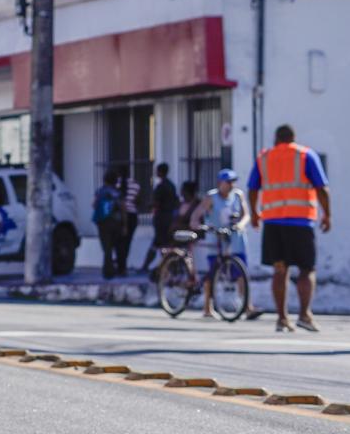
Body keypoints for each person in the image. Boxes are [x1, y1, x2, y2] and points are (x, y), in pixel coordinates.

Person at [249, 124, 331, 333]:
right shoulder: (305, 155)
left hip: (273, 223)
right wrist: (327, 214)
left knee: (279, 270)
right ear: (293, 138)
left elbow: (252, 188)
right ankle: (304, 315)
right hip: (301, 222)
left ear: (276, 139)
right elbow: (321, 188)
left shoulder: (264, 157)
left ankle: (282, 318)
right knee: (307, 269)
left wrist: (255, 214)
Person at [189, 168, 250, 319]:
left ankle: (247, 306)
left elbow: (246, 215)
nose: (231, 185)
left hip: (235, 238)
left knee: (241, 271)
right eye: (228, 182)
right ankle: (207, 307)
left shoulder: (238, 195)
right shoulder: (211, 197)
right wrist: (197, 226)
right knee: (213, 272)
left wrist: (241, 224)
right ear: (220, 183)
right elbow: (196, 215)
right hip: (216, 238)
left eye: (232, 182)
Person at [141, 162, 179, 272]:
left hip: (161, 219)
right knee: (165, 243)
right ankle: (170, 266)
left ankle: (148, 266)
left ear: (160, 172)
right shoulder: (171, 185)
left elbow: (156, 203)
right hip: (169, 218)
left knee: (158, 243)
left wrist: (148, 205)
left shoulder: (161, 186)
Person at [92, 169, 123, 280]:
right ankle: (110, 269)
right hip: (115, 222)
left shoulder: (100, 191)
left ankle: (108, 270)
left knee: (106, 247)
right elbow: (122, 208)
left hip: (102, 222)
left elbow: (94, 204)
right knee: (112, 246)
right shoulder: (117, 193)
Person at [116, 166, 141, 278]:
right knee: (127, 243)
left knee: (119, 243)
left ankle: (120, 267)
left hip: (119, 217)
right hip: (132, 216)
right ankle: (123, 267)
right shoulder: (135, 185)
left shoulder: (116, 185)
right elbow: (138, 201)